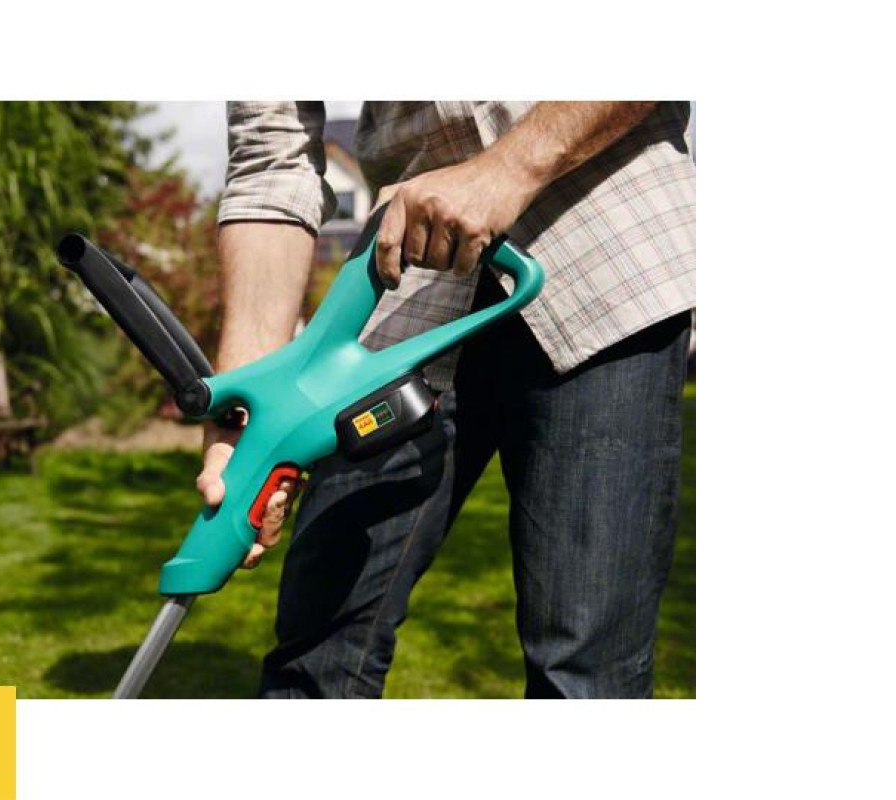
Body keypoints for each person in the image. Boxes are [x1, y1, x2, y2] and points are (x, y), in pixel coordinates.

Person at [199, 101, 695, 699]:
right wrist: (245, 420)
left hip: (605, 258)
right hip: (409, 274)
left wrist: (507, 170)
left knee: (585, 675)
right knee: (317, 652)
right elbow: (272, 161)